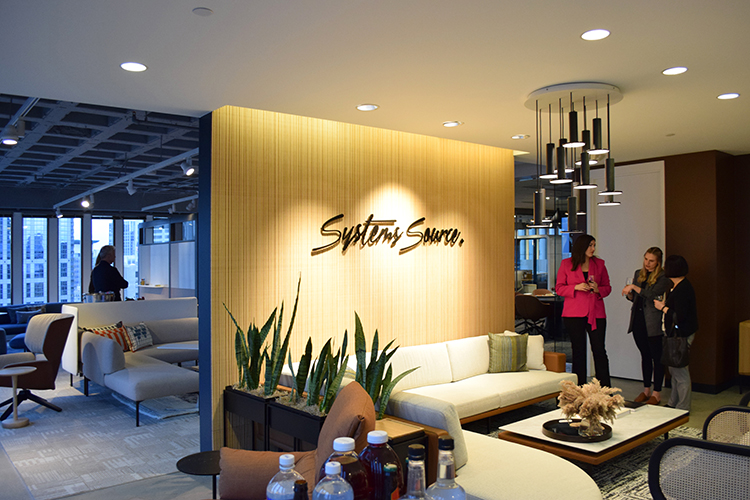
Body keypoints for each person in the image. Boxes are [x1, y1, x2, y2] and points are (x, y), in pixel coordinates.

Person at [555, 234, 612, 387]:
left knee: (599, 350)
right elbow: (559, 288)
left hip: (596, 313)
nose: (593, 249)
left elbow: (608, 288)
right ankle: (579, 388)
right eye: (590, 245)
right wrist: (575, 287)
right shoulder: (566, 264)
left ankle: (604, 389)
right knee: (578, 351)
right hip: (573, 313)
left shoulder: (599, 264)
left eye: (594, 245)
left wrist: (598, 289)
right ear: (582, 247)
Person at [622, 247, 672, 404]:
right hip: (638, 319)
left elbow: (651, 295)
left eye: (651, 261)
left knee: (657, 357)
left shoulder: (663, 277)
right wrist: (630, 295)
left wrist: (635, 288)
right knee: (645, 355)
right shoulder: (639, 273)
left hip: (653, 321)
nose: (647, 263)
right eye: (646, 259)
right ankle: (646, 390)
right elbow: (636, 297)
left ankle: (657, 393)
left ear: (658, 262)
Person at [654, 255, 698, 411]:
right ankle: (673, 403)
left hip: (681, 335)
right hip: (676, 334)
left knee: (680, 372)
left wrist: (663, 308)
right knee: (674, 369)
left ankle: (683, 407)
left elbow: (679, 316)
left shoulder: (682, 289)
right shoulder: (679, 286)